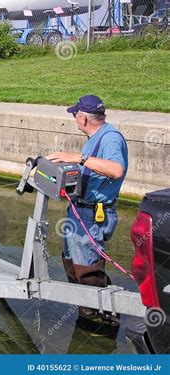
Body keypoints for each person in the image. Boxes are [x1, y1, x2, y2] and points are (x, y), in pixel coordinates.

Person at [47, 95, 128, 324]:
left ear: (82, 118)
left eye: (75, 115)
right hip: (79, 211)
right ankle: (88, 311)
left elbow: (116, 169)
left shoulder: (110, 138)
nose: (74, 118)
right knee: (72, 263)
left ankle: (101, 320)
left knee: (87, 269)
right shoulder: (95, 137)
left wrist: (77, 158)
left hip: (92, 215)